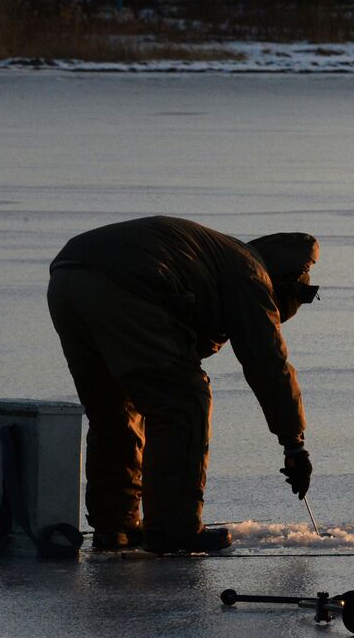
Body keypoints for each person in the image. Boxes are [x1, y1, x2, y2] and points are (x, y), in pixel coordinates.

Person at [47, 216, 318, 554]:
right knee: (183, 403)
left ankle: (115, 526)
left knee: (114, 409)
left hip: (67, 279)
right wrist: (294, 444)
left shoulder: (222, 257)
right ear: (285, 285)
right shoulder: (251, 274)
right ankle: (174, 529)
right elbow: (268, 363)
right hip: (128, 282)